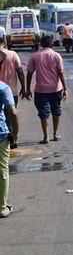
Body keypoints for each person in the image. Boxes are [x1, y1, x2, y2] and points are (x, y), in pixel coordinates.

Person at [25, 35, 67, 144]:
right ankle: (56, 134)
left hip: (41, 90)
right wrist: (65, 88)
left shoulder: (35, 56)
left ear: (40, 44)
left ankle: (46, 137)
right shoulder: (56, 56)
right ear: (51, 44)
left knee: (43, 113)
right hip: (56, 89)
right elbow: (61, 73)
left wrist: (27, 88)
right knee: (56, 110)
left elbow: (29, 73)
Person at [0, 38, 26, 149]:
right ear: (4, 44)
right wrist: (24, 88)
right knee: (10, 114)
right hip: (11, 90)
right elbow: (20, 71)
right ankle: (12, 139)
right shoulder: (12, 54)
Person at [0, 80, 19, 218]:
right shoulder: (3, 87)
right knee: (2, 170)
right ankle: (1, 207)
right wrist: (15, 133)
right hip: (0, 135)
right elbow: (13, 112)